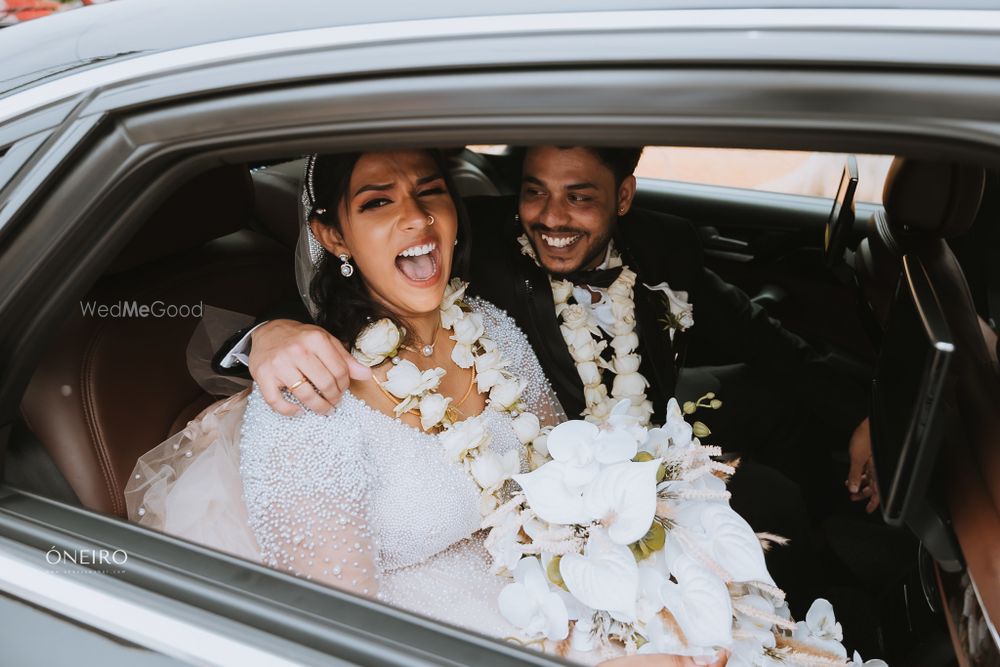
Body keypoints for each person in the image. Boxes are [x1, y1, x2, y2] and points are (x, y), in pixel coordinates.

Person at [125, 148, 726, 666]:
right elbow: (341, 639)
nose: (416, 216)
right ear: (333, 235)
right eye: (378, 203)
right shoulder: (306, 403)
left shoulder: (490, 327)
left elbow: (565, 478)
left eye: (429, 192)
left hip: (560, 597)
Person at [219, 146, 877, 614]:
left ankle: (861, 590)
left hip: (583, 519)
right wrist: (261, 335)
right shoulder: (323, 378)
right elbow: (338, 624)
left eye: (581, 195)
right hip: (463, 618)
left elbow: (765, 340)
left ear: (623, 196)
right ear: (333, 234)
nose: (552, 218)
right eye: (535, 191)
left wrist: (864, 413)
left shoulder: (501, 314)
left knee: (765, 497)